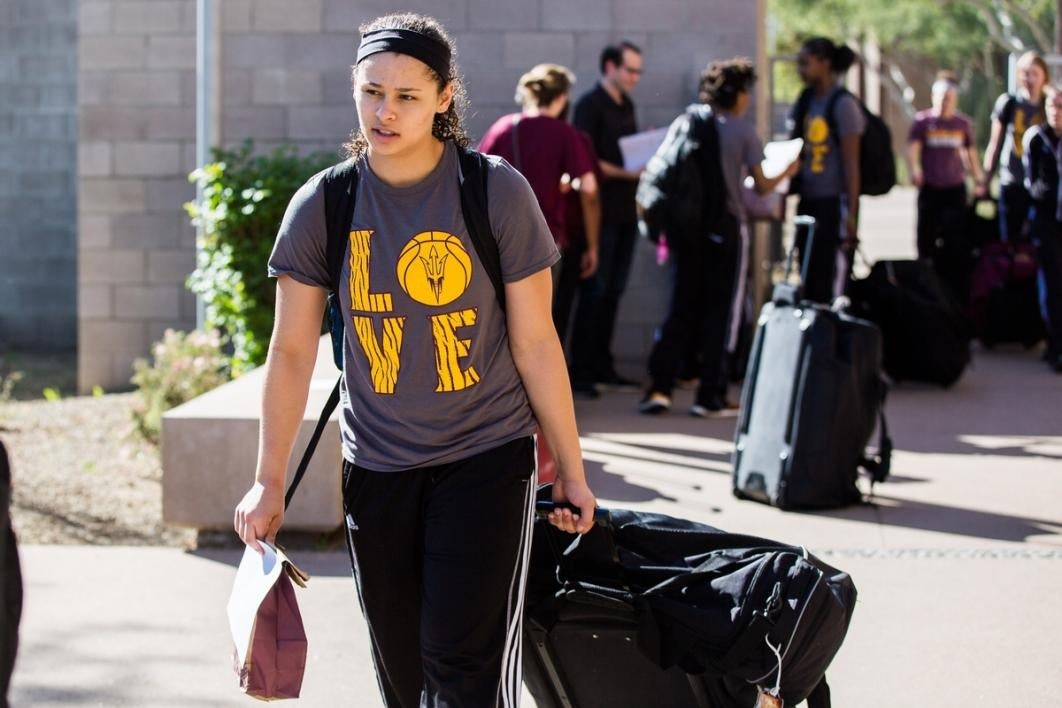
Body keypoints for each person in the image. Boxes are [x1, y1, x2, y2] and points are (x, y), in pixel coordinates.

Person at [232, 13, 597, 708]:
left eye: (405, 95)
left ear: (444, 98)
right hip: (377, 468)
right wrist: (267, 481)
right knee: (402, 675)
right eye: (372, 92)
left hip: (486, 459)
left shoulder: (494, 192)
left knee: (465, 673)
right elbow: (289, 352)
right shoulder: (326, 204)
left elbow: (537, 343)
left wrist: (571, 470)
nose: (385, 111)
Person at [639, 58, 797, 417]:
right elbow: (762, 184)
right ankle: (710, 395)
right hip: (724, 230)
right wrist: (791, 166)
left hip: (686, 230)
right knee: (721, 313)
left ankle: (660, 387)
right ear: (739, 94)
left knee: (680, 308)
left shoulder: (687, 122)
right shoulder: (742, 131)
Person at [477, 63, 600, 328]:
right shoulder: (563, 133)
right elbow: (589, 187)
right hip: (545, 242)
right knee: (541, 324)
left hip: (498, 240)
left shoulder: (502, 128)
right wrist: (592, 245)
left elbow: (476, 178)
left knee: (502, 319)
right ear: (561, 98)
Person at [568, 41, 645, 397]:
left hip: (627, 211)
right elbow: (586, 162)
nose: (635, 78)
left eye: (638, 72)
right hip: (600, 216)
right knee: (594, 293)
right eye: (630, 70)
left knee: (614, 292)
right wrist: (628, 175)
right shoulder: (588, 106)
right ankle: (582, 371)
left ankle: (603, 366)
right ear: (610, 67)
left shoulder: (626, 104)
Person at [789, 37, 865, 304]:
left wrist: (851, 216)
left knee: (831, 282)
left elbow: (852, 164)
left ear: (825, 63)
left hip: (834, 204)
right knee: (808, 276)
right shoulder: (807, 100)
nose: (801, 69)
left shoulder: (843, 104)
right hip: (808, 200)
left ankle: (831, 339)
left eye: (806, 63)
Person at [907, 71, 983, 302]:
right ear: (933, 97)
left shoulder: (962, 124)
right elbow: (913, 150)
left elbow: (970, 154)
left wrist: (979, 180)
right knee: (925, 240)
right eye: (941, 97)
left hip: (954, 188)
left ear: (955, 99)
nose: (944, 101)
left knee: (955, 242)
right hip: (931, 188)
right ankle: (925, 287)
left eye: (949, 97)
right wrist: (915, 171)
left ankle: (953, 289)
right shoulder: (923, 122)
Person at [981, 50, 1048, 243]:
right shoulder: (1008, 103)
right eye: (1025, 73)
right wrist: (985, 180)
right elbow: (994, 144)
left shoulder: (1049, 107)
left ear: (1044, 76)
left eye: (1035, 73)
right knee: (1009, 241)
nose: (1030, 78)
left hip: (1040, 186)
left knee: (1038, 243)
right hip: (1012, 181)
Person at [1023, 84, 1062, 372]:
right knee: (1051, 283)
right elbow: (1030, 179)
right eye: (1052, 106)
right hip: (1046, 220)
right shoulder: (1036, 139)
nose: (1056, 111)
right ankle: (1054, 343)